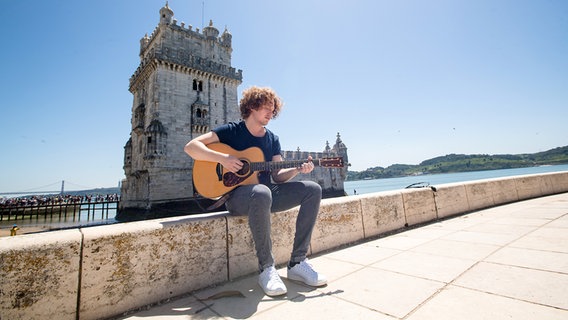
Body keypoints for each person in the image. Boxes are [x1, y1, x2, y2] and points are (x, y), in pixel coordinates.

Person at [184, 86, 327, 296]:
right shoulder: (231, 131)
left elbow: (277, 176)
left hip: (267, 195)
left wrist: (297, 169)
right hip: (238, 197)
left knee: (313, 190)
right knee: (261, 192)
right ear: (251, 106)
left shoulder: (272, 139)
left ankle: (297, 263)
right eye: (265, 108)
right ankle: (267, 269)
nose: (270, 113)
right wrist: (223, 159)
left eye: (272, 109)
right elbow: (191, 147)